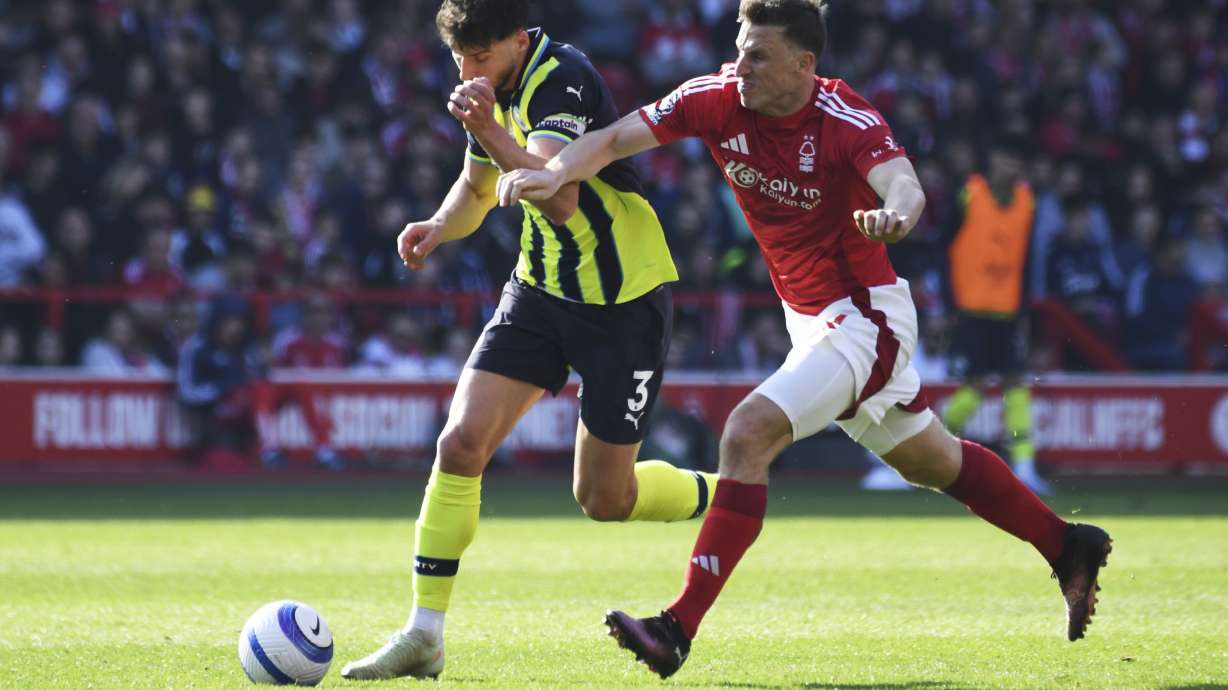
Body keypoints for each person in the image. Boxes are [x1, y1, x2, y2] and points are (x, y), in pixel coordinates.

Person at [498, 0, 1112, 679]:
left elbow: (903, 184)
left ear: (804, 64)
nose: (741, 67)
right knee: (931, 462)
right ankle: (1068, 544)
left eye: (758, 55)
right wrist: (556, 173)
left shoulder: (844, 118)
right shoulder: (715, 97)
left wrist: (897, 218)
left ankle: (676, 627)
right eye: (738, 47)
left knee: (746, 433)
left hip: (865, 317)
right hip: (810, 321)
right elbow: (614, 139)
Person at [341, 0, 717, 681]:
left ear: (518, 42)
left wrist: (486, 126)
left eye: (480, 57)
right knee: (459, 444)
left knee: (606, 500)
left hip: (621, 300)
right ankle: (424, 634)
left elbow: (555, 191)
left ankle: (725, 495)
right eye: (459, 59)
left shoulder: (561, 77)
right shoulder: (493, 86)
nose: (468, 71)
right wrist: (436, 225)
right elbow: (479, 186)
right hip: (539, 290)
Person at [943, 140, 1051, 494]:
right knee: (975, 385)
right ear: (992, 159)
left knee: (1016, 384)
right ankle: (924, 448)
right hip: (970, 309)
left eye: (1015, 159)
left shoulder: (1027, 201)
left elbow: (1028, 258)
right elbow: (946, 246)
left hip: (1006, 310)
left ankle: (1025, 466)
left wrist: (1024, 310)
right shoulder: (969, 194)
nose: (1010, 166)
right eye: (1005, 157)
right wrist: (946, 305)